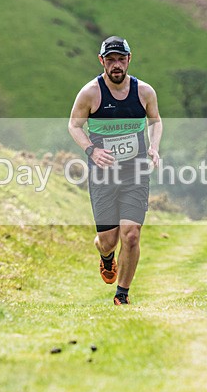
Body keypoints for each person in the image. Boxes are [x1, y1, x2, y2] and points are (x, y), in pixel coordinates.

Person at [68, 36, 162, 305]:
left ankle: (122, 294)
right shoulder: (90, 93)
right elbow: (74, 125)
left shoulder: (144, 92)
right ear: (102, 61)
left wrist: (153, 147)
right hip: (103, 175)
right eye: (110, 60)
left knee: (130, 235)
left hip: (135, 172)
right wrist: (91, 150)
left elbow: (155, 122)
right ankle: (106, 257)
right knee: (108, 240)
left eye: (121, 59)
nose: (116, 65)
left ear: (129, 60)